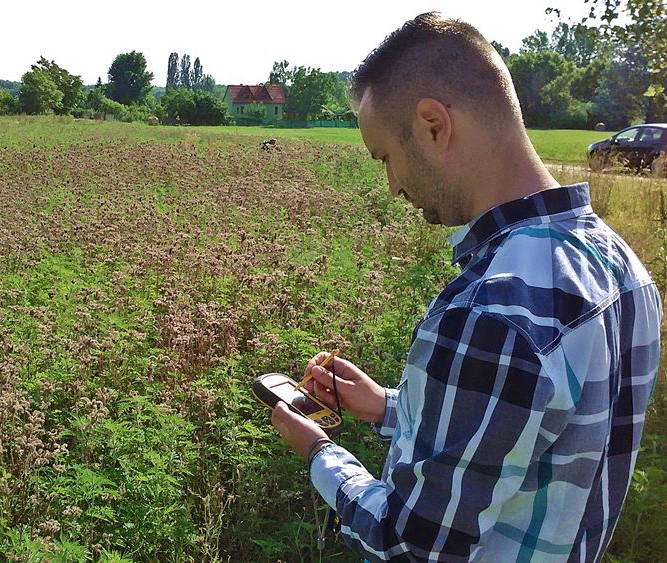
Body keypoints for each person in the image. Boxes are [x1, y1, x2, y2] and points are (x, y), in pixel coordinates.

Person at [270, 12, 662, 562]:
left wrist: (318, 452)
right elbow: (531, 436)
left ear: (434, 125)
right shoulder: (625, 269)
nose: (392, 186)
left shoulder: (491, 311)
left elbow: (408, 544)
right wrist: (388, 407)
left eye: (386, 158)